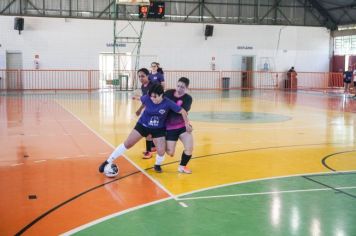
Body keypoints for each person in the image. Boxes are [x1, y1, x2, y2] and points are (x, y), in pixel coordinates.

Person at [99, 83, 192, 174]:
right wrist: (137, 104)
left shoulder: (168, 102)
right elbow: (142, 99)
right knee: (128, 143)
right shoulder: (147, 98)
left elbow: (183, 111)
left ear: (162, 95)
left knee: (161, 151)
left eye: (155, 97)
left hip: (158, 129)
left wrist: (187, 124)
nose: (152, 99)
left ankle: (157, 165)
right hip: (143, 125)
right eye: (151, 96)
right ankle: (108, 161)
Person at [165, 77, 193, 174]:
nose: (179, 88)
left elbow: (182, 111)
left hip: (182, 126)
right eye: (178, 86)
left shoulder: (188, 98)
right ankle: (161, 142)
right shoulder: (168, 93)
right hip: (169, 128)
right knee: (170, 153)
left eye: (182, 87)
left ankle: (182, 166)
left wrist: (187, 125)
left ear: (186, 88)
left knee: (189, 148)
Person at [133, 68, 156, 158]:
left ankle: (149, 151)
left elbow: (153, 99)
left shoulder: (152, 86)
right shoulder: (143, 86)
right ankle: (152, 147)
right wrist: (140, 109)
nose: (141, 78)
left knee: (148, 130)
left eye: (143, 76)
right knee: (150, 130)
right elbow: (145, 100)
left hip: (154, 110)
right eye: (139, 76)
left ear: (148, 76)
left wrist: (139, 108)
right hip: (148, 110)